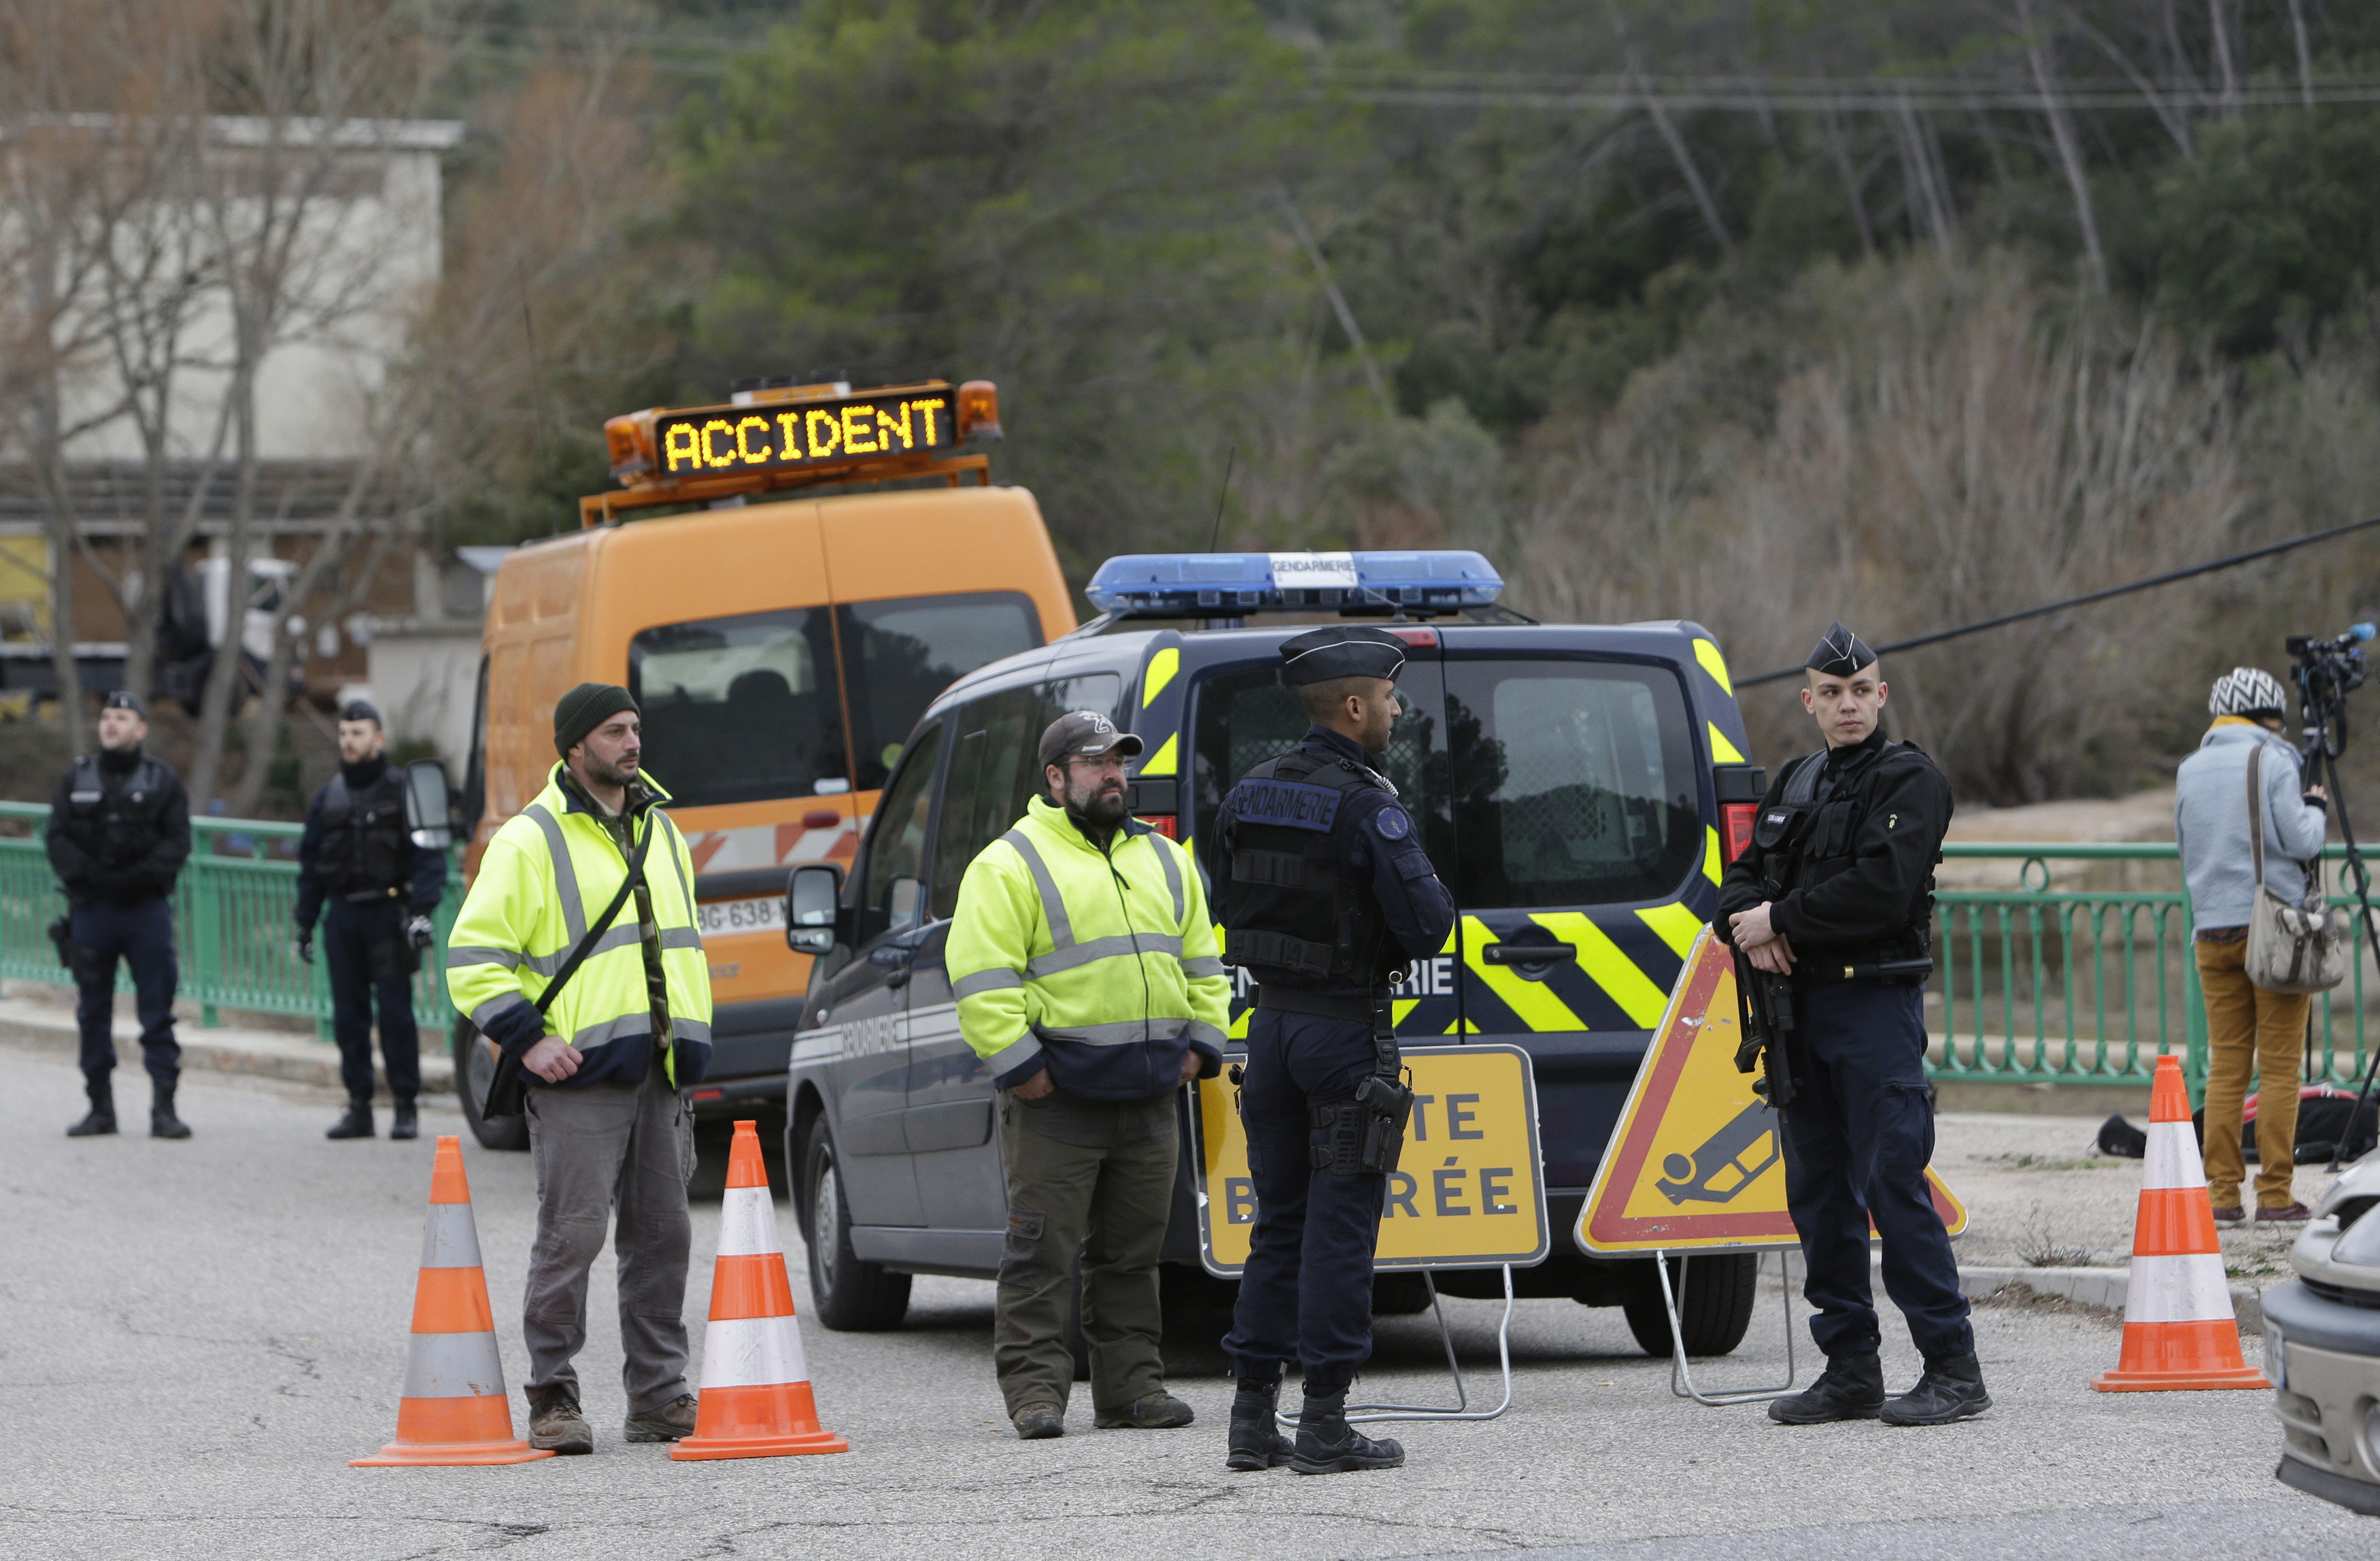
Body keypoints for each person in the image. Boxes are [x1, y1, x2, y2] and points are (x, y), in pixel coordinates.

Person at [1716, 622, 1983, 1428]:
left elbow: (1883, 892)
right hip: (1798, 1017)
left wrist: (1779, 921)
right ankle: (1849, 1368)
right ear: (1808, 702)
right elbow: (1735, 884)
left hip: (1870, 1008)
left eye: (1859, 690)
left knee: (1891, 1186)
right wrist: (1746, 925)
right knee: (1819, 1197)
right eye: (1830, 693)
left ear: (1881, 695)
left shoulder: (1909, 781)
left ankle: (1952, 1368)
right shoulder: (1795, 782)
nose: (1846, 705)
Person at [946, 709, 1230, 1441]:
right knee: (1041, 1253)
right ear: (1055, 776)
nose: (1113, 775)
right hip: (1057, 1101)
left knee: (1133, 1255)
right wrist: (1025, 1071)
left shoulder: (1165, 859)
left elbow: (1204, 961)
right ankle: (1037, 1395)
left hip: (1149, 1097)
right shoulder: (1008, 863)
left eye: (1119, 762)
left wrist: (1202, 1045)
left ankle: (1132, 1392)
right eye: (1096, 762)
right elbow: (982, 981)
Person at [444, 683, 713, 1455]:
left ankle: (659, 1396)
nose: (631, 743)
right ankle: (553, 1398)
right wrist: (526, 1040)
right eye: (613, 732)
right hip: (577, 1079)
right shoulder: (529, 839)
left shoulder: (662, 832)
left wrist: (688, 1046)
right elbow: (472, 959)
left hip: (658, 1073)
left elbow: (678, 949)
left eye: (635, 728)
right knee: (572, 1239)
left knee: (662, 1241)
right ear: (574, 749)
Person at [1217, 626, 1457, 1476]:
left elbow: (1228, 900)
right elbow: (1429, 925)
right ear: (1354, 706)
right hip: (1342, 1033)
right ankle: (1323, 1424)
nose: (1396, 712)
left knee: (1276, 1224)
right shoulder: (1366, 803)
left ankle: (1251, 1422)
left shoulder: (1248, 791)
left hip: (1269, 1032)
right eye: (1388, 699)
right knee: (1339, 1229)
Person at [2176, 667, 2330, 1226]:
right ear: (2269, 716)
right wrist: (2315, 804)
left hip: (2212, 931)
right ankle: (2275, 1194)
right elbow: (2302, 838)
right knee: (2282, 1066)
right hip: (2273, 933)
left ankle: (2220, 1195)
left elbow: (2185, 843)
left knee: (2227, 1066)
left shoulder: (2190, 767)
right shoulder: (2275, 759)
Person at [294, 700, 447, 1141]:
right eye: (344, 733)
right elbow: (311, 866)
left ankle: (405, 1106)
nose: (349, 741)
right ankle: (358, 1106)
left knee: (397, 1014)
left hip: (388, 912)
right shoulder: (328, 797)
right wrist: (304, 923)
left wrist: (422, 911)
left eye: (358, 733)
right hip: (342, 916)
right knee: (348, 1016)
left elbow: (428, 857)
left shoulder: (402, 790)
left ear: (379, 738)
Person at [46, 691, 192, 1139]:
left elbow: (177, 842)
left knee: (157, 1011)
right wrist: (90, 876)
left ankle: (164, 1109)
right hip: (93, 911)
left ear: (141, 728)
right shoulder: (78, 777)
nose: (111, 723)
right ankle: (100, 1108)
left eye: (122, 717)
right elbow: (57, 837)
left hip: (145, 910)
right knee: (92, 1012)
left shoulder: (162, 780)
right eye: (107, 716)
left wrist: (135, 879)